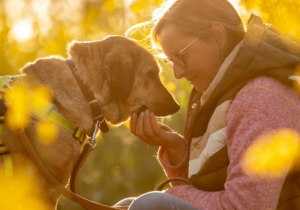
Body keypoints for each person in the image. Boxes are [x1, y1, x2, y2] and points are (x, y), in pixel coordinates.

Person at [126, 0, 300, 209]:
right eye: (170, 60)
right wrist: (176, 148)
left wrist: (173, 195)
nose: (178, 73)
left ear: (217, 37)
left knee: (151, 205)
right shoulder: (218, 91)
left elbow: (245, 206)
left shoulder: (260, 99)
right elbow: (208, 185)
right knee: (128, 205)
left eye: (180, 56)